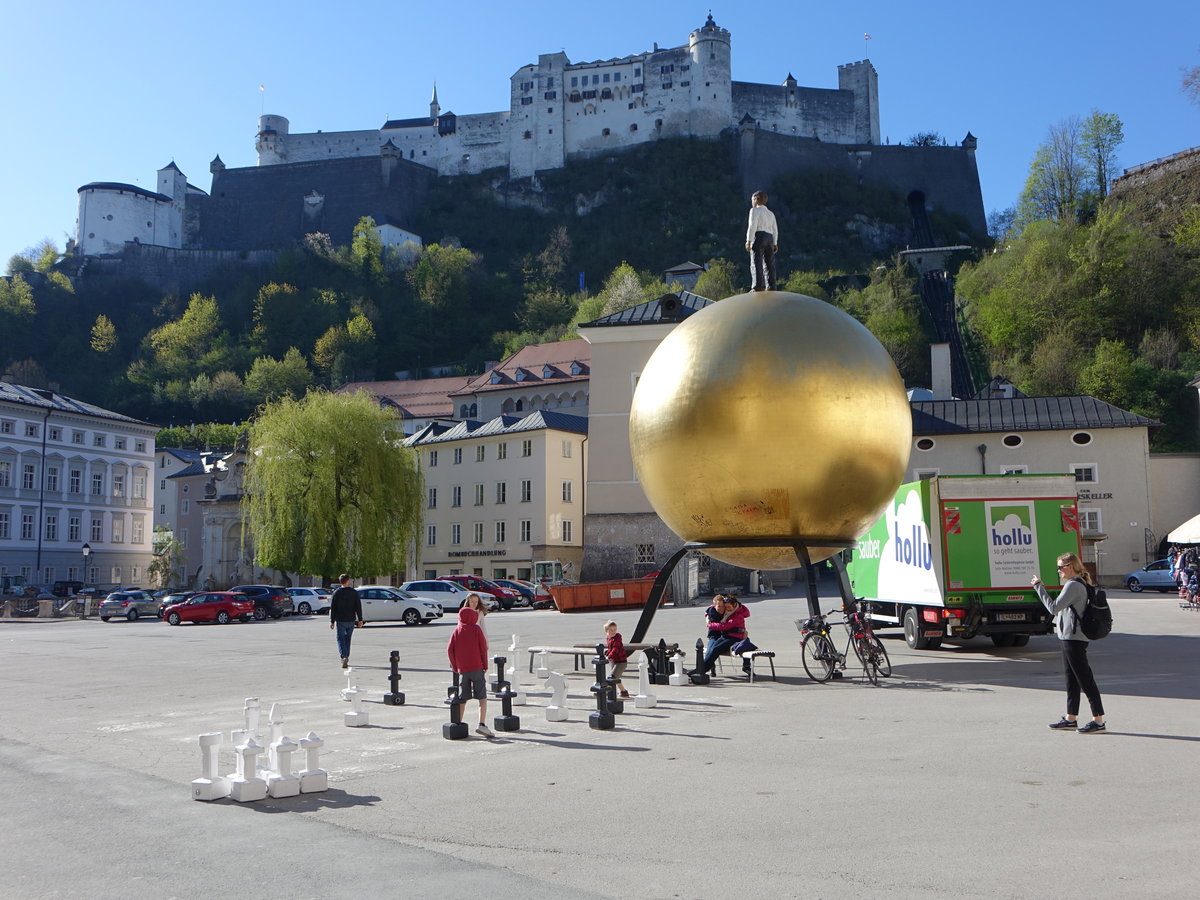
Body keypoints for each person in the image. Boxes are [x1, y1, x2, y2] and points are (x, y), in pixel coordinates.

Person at [1031, 553, 1106, 733]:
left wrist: (1038, 587)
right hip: (1069, 637)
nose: (1058, 571)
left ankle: (1099, 720)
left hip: (1074, 638)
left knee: (1085, 679)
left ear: (1070, 566)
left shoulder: (1073, 585)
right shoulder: (1078, 583)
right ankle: (1071, 718)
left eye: (1060, 567)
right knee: (1071, 679)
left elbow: (1053, 607)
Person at [447, 604, 494, 738]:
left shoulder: (457, 630)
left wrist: (455, 666)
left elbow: (450, 649)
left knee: (463, 698)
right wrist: (485, 665)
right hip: (477, 667)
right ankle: (481, 724)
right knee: (482, 698)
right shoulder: (476, 629)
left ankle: (459, 722)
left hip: (463, 669)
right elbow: (483, 648)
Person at [700, 595, 751, 675]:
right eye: (719, 606)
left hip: (729, 636)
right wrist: (707, 617)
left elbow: (725, 626)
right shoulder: (713, 611)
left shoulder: (733, 613)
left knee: (715, 649)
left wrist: (710, 625)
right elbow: (709, 608)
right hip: (716, 636)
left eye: (724, 606)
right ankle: (706, 667)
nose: (723, 608)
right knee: (711, 649)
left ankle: (747, 666)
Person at [745, 190, 779, 291]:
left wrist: (749, 240)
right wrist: (775, 243)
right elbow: (775, 230)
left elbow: (752, 226)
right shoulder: (771, 214)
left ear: (756, 199)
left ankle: (758, 285)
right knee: (769, 264)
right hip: (769, 238)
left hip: (759, 236)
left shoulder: (754, 210)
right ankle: (771, 286)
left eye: (752, 200)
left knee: (756, 261)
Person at [328, 574, 363, 669]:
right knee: (348, 638)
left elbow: (333, 608)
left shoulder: (336, 593)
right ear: (347, 581)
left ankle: (344, 656)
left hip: (340, 619)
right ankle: (346, 655)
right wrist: (360, 619)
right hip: (351, 619)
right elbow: (358, 607)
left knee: (340, 638)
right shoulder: (354, 592)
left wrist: (332, 621)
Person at [603, 620, 631, 699]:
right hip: (614, 661)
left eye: (615, 629)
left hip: (621, 661)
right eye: (611, 630)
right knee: (616, 678)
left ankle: (605, 691)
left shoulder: (617, 638)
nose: (613, 631)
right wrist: (607, 653)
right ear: (606, 631)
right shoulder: (608, 638)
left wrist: (609, 656)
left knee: (612, 677)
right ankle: (623, 692)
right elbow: (610, 648)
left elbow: (615, 649)